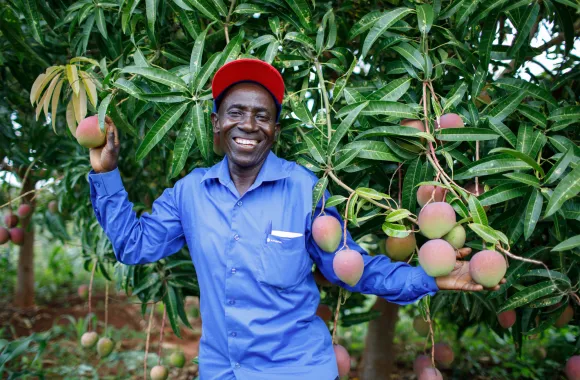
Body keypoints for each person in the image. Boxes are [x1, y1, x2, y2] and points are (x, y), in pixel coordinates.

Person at [89, 59, 501, 380]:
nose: (248, 124)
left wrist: (430, 278)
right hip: (222, 370)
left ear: (275, 129)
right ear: (216, 123)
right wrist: (106, 174)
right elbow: (134, 246)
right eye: (236, 112)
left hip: (297, 368)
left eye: (262, 115)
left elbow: (350, 268)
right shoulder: (189, 194)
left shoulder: (306, 190)